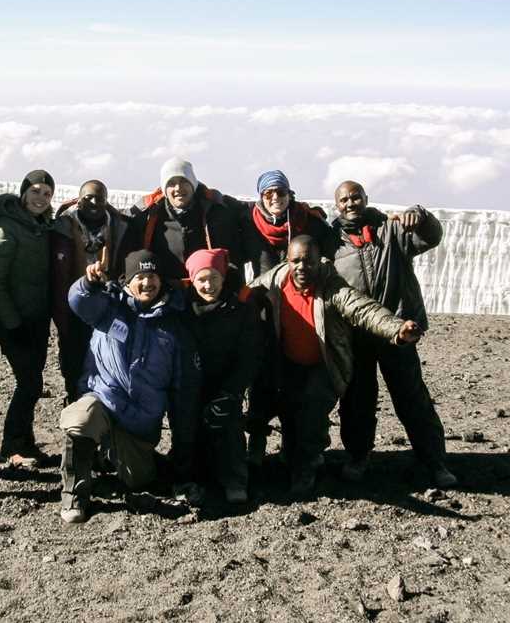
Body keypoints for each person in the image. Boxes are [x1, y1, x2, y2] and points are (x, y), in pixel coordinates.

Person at [249, 235, 422, 497]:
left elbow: (364, 309)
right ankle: (288, 455)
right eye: (296, 261)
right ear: (287, 260)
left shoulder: (332, 287)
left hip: (324, 366)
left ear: (320, 261)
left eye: (309, 261)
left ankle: (305, 471)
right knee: (286, 412)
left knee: (311, 414)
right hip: (288, 364)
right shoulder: (273, 282)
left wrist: (396, 329)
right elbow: (242, 295)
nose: (302, 267)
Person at [59, 249, 200, 523]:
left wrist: (183, 456)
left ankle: (111, 455)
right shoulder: (109, 306)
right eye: (140, 277)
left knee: (139, 481)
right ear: (127, 281)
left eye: (152, 277)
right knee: (79, 420)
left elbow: (181, 392)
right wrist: (88, 283)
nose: (147, 283)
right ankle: (74, 495)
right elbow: (78, 301)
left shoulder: (173, 326)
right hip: (102, 398)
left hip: (138, 424)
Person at [331, 180, 456, 488]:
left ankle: (434, 461)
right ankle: (358, 457)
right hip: (356, 335)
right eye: (344, 200)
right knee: (356, 401)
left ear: (365, 199)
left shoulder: (391, 230)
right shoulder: (330, 241)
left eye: (355, 197)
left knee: (412, 398)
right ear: (337, 205)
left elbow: (431, 237)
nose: (351, 204)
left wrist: (422, 216)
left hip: (398, 332)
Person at [240, 170, 337, 466]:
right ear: (260, 197)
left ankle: (298, 447)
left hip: (302, 315)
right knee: (261, 382)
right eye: (268, 194)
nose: (275, 199)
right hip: (266, 316)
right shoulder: (250, 225)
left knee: (299, 384)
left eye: (280, 192)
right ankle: (256, 442)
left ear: (289, 193)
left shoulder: (309, 222)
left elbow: (335, 251)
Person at [0, 170, 55, 467]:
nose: (40, 198)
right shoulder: (6, 228)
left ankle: (25, 444)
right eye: (36, 191)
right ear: (24, 192)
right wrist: (12, 322)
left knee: (33, 382)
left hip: (37, 319)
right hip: (14, 320)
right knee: (28, 382)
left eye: (46, 193)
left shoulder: (42, 226)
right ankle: (11, 445)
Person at [182, 248, 261, 503]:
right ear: (192, 281)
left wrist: (231, 391)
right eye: (202, 279)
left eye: (214, 278)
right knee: (188, 430)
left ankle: (235, 479)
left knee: (229, 427)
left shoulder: (240, 310)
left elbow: (249, 355)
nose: (208, 285)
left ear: (224, 277)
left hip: (227, 384)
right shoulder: (182, 310)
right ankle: (189, 478)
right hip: (191, 385)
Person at [51, 179, 130, 403]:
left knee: (105, 358)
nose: (95, 202)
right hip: (72, 307)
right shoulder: (62, 228)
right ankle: (74, 403)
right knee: (72, 359)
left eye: (100, 198)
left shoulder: (120, 227)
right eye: (88, 197)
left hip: (106, 307)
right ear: (79, 199)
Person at [125, 157, 243, 282]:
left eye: (183, 181)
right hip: (166, 292)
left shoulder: (219, 209)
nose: (178, 188)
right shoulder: (147, 216)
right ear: (164, 189)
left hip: (209, 289)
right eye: (171, 183)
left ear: (193, 184)